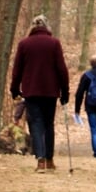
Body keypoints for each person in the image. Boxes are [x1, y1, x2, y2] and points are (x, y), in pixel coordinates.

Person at [9, 15, 70, 171]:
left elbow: (17, 70)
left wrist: (15, 89)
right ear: (46, 26)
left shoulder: (24, 44)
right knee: (48, 124)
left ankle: (40, 159)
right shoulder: (54, 43)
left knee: (35, 124)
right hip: (50, 91)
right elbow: (62, 70)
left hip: (31, 91)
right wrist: (65, 91)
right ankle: (49, 159)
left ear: (32, 27)